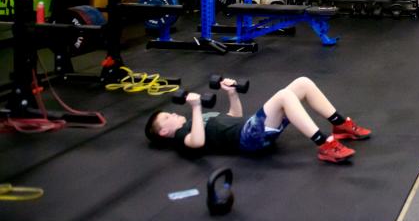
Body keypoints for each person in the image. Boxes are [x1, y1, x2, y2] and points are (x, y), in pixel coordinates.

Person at [145, 76, 371, 163]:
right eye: (167, 117)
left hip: (249, 128)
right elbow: (198, 143)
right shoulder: (182, 137)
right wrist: (195, 106)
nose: (173, 114)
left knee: (301, 83)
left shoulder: (198, 120)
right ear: (164, 132)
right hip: (248, 141)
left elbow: (234, 116)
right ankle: (325, 145)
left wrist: (231, 94)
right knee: (284, 95)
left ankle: (339, 124)